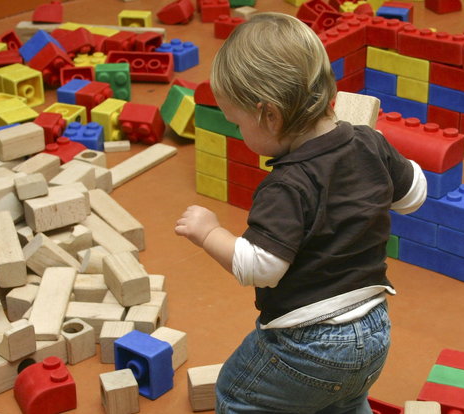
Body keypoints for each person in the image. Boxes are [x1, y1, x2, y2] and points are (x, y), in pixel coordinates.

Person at [174, 12, 427, 414]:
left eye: (238, 123)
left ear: (269, 115)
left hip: (310, 343)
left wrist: (209, 232)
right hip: (375, 330)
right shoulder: (368, 143)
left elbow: (261, 266)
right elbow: (414, 194)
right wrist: (383, 154)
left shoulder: (286, 185)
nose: (240, 134)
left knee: (236, 396)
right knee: (342, 401)